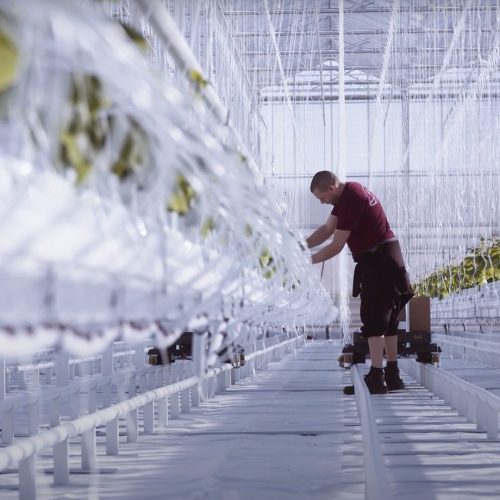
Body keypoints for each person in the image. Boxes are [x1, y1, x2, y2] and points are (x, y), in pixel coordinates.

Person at [306, 171, 413, 395]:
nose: (322, 202)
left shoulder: (351, 200)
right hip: (389, 256)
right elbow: (327, 229)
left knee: (374, 320)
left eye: (321, 197)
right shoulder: (350, 192)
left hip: (378, 260)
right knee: (390, 320)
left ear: (331, 189)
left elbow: (336, 246)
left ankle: (377, 376)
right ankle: (392, 376)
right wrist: (302, 246)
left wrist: (308, 261)